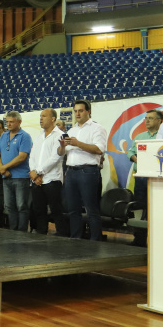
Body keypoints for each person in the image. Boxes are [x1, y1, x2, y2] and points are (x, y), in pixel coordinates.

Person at [59, 100, 108, 241]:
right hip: (71, 171)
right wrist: (62, 146)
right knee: (73, 209)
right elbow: (62, 153)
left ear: (88, 111)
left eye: (80, 110)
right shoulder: (72, 130)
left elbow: (99, 149)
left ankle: (95, 239)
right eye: (75, 111)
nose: (77, 114)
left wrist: (78, 143)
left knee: (91, 208)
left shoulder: (97, 128)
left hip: (88, 171)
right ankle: (76, 238)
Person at [127, 109, 163, 245]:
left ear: (159, 120)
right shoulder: (140, 136)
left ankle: (157, 239)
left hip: (157, 177)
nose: (147, 121)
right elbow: (130, 151)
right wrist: (135, 158)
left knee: (157, 208)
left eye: (151, 118)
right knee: (140, 207)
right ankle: (140, 238)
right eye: (146, 118)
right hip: (141, 177)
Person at [28, 108, 66, 236]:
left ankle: (62, 235)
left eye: (44, 116)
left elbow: (55, 158)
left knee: (56, 209)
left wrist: (38, 172)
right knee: (39, 210)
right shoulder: (39, 136)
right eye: (40, 116)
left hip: (52, 179)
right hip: (37, 179)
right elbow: (32, 156)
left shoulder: (59, 135)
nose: (41, 118)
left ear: (53, 118)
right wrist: (34, 173)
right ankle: (41, 233)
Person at [0, 111, 33, 231]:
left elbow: (22, 157)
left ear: (19, 122)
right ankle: (13, 231)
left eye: (11, 122)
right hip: (6, 177)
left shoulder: (25, 136)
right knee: (9, 206)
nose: (9, 124)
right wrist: (1, 168)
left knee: (21, 206)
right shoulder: (4, 136)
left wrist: (4, 167)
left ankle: (21, 232)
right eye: (7, 122)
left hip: (21, 177)